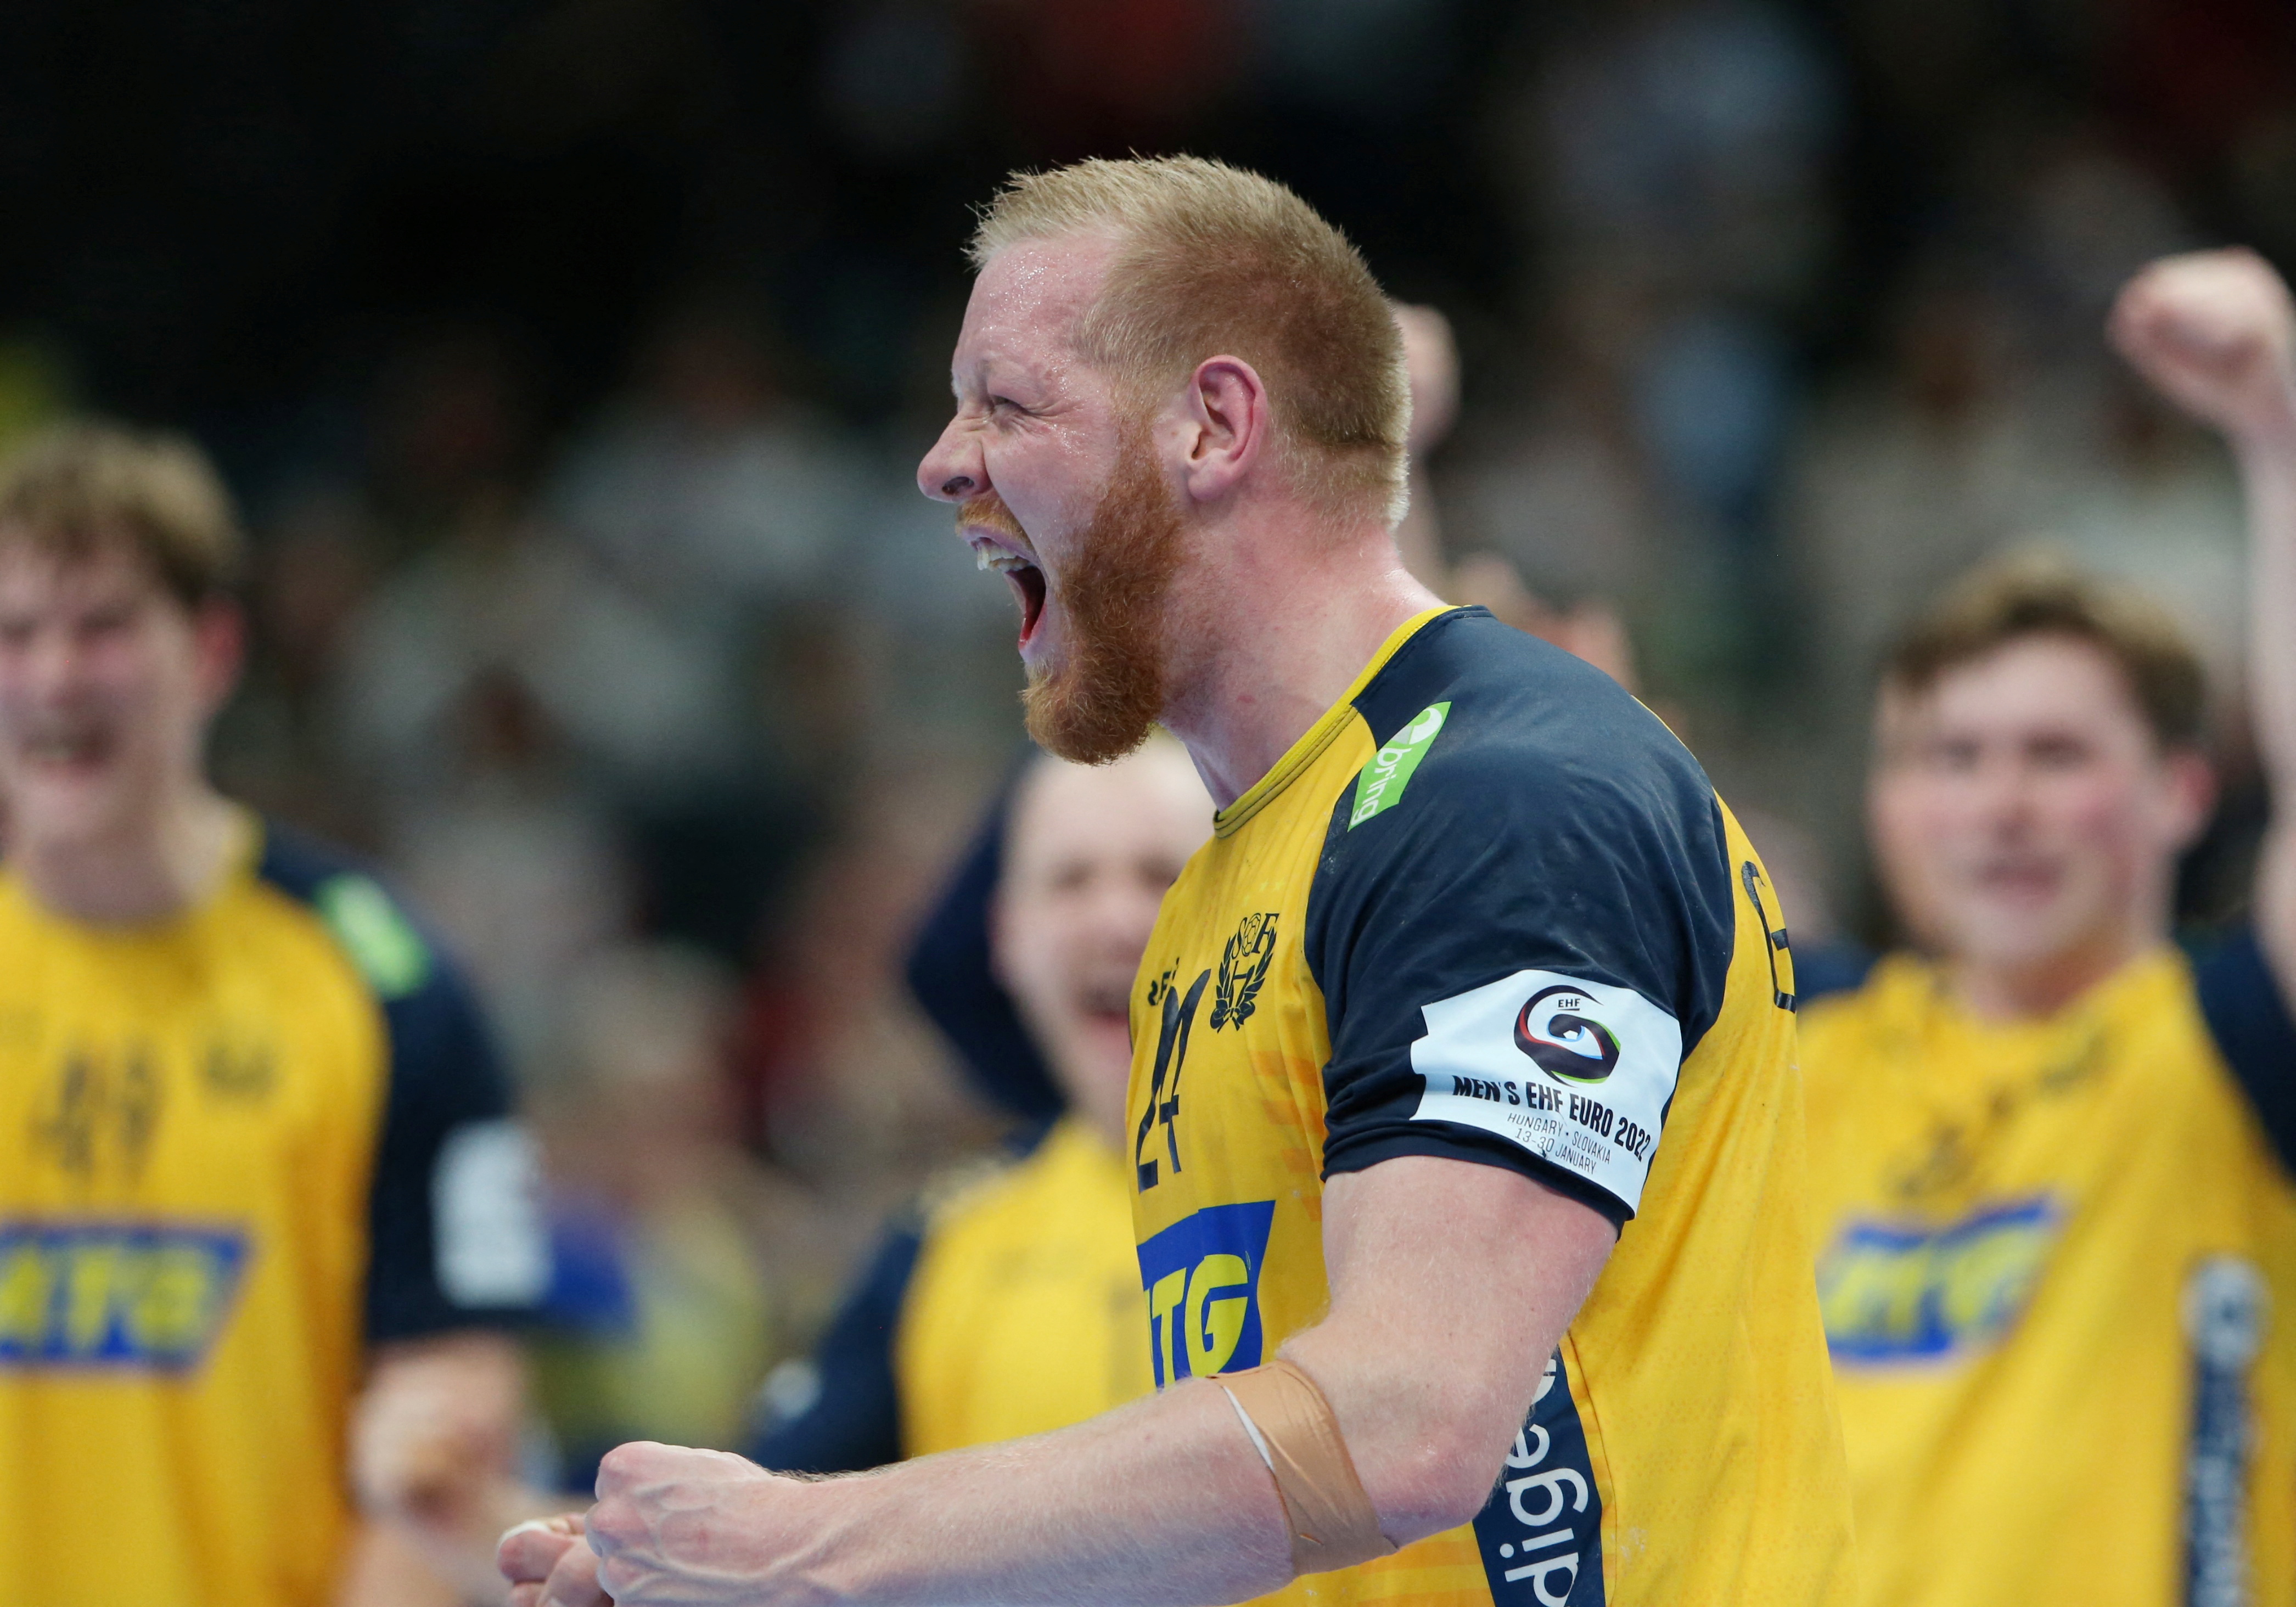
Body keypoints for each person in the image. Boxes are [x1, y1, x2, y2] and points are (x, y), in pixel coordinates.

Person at [504, 153, 1851, 1607]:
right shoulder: (1231, 878)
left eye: (1006, 404)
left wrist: (813, 1548)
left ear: (1213, 425)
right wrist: (733, 1551)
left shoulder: (1503, 794)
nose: (940, 462)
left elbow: (1407, 1425)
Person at [1798, 246, 2296, 1607]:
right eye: (1945, 759)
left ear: (2181, 789)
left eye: (2054, 754)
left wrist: (2275, 424)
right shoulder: (1804, 1041)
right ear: (1880, 801)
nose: (1997, 806)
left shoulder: (2233, 1042)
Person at [0, 423, 550, 1606]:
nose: (54, 677)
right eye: (15, 633)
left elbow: (455, 1393)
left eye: (100, 626)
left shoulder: (378, 975)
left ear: (209, 650)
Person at [754, 737, 1210, 1471]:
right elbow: (767, 1515)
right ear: (1006, 935)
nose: (1117, 922)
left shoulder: (1370, 1190)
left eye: (1162, 875)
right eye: (1070, 881)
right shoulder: (941, 1249)